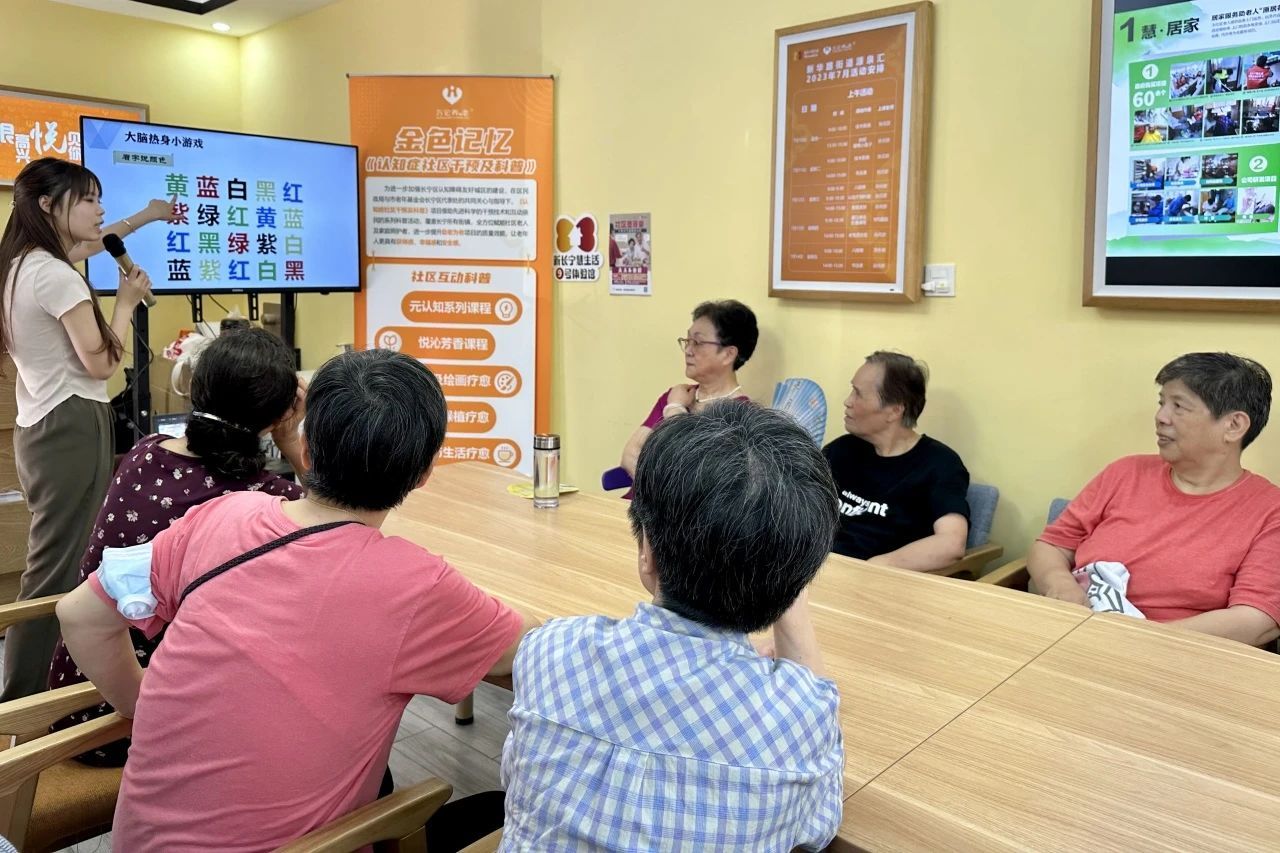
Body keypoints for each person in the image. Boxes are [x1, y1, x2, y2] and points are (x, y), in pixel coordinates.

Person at [57, 349, 540, 851]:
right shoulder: (419, 586)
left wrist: (140, 702)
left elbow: (78, 614)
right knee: (493, 809)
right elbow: (531, 653)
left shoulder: (222, 515)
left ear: (306, 447)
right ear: (423, 473)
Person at [501, 400, 844, 851]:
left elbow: (514, 778)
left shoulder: (549, 650)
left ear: (647, 550)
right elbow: (817, 825)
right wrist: (782, 583)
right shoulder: (799, 715)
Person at [47, 327, 307, 766]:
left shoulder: (145, 451)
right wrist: (290, 442)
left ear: (196, 388)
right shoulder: (267, 500)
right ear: (281, 413)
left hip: (72, 694)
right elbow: (336, 518)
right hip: (138, 718)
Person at [0, 157, 176, 701]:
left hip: (43, 426)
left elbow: (98, 241)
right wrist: (125, 303)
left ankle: (46, 691)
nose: (100, 210)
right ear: (48, 205)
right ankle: (24, 703)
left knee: (61, 559)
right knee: (56, 569)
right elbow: (101, 364)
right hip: (71, 424)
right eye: (89, 199)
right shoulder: (55, 275)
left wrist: (147, 215)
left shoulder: (24, 263)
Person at [1028, 353, 1280, 647]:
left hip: (1176, 654)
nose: (1161, 417)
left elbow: (1256, 619)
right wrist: (1060, 584)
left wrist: (1135, 640)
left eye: (1178, 406)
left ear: (1234, 425)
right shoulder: (1125, 472)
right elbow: (1051, 545)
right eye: (1162, 403)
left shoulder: (1269, 510)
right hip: (1075, 631)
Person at [823, 351, 970, 570]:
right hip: (810, 568)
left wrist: (877, 566)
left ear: (894, 410)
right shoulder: (842, 450)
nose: (848, 401)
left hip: (871, 579)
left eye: (858, 394)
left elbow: (951, 544)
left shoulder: (939, 465)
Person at [619, 300, 757, 479]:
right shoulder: (677, 395)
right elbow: (630, 454)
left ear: (728, 354)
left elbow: (694, 475)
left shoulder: (741, 415)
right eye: (687, 341)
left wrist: (675, 409)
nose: (688, 350)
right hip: (643, 495)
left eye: (698, 342)